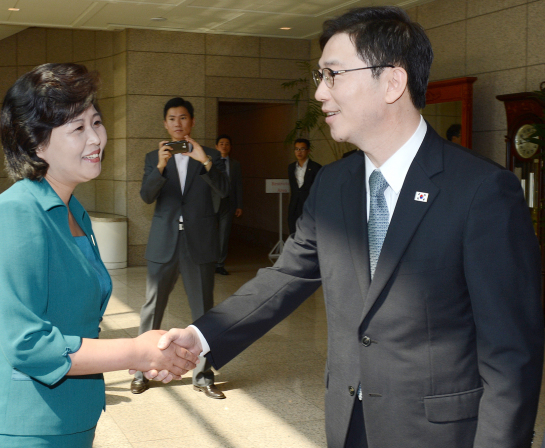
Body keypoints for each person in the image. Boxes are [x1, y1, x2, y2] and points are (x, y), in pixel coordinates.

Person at [158, 7, 544, 448]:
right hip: (349, 421)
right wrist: (199, 336)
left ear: (393, 82)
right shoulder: (334, 183)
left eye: (332, 74)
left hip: (438, 432)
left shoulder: (482, 191)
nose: (320, 92)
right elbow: (286, 277)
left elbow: (511, 354)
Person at [0, 64, 198, 447]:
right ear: (35, 142)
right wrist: (137, 351)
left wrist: (152, 354)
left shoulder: (73, 212)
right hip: (26, 426)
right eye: (78, 128)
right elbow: (27, 344)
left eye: (96, 122)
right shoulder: (16, 213)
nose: (96, 138)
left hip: (72, 417)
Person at [132, 97, 229, 399]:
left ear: (192, 122)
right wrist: (160, 166)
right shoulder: (153, 157)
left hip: (198, 243)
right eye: (172, 119)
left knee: (203, 311)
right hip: (165, 242)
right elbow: (146, 196)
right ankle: (140, 371)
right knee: (152, 308)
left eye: (183, 118)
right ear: (165, 123)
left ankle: (203, 375)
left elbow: (225, 191)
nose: (178, 123)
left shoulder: (209, 155)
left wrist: (206, 161)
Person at [214, 134, 243, 275]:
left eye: (226, 144)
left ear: (230, 147)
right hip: (211, 203)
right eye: (221, 143)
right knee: (210, 234)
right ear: (216, 146)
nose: (224, 146)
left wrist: (239, 205)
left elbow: (238, 185)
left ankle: (220, 264)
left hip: (229, 203)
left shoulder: (235, 164)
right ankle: (208, 263)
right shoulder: (210, 162)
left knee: (224, 235)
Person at [287, 138, 322, 234]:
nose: (299, 152)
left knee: (308, 232)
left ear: (308, 151)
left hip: (309, 206)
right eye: (296, 149)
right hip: (294, 204)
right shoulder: (291, 167)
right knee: (293, 231)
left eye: (302, 149)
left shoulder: (316, 167)